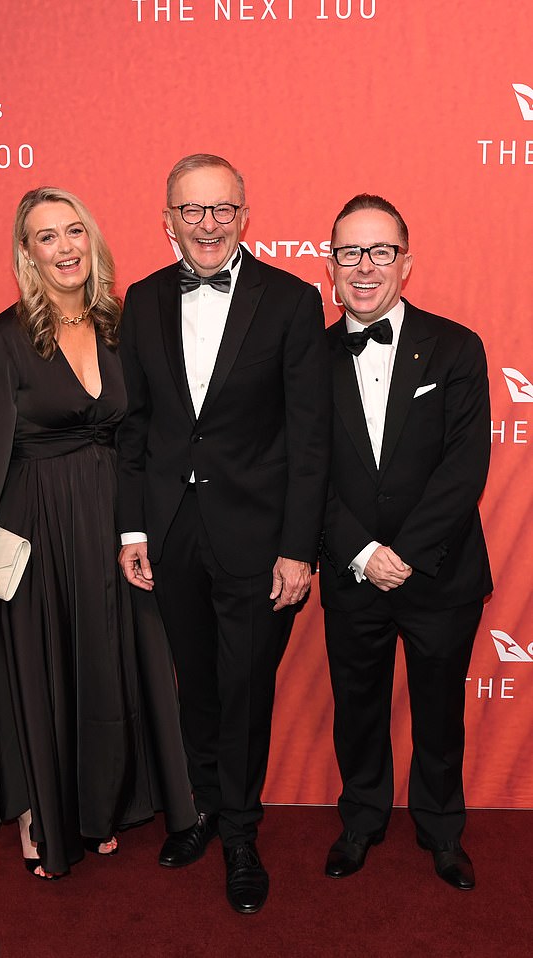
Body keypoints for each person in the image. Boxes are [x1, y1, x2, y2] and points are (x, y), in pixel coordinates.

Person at [0, 187, 196, 879]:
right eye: (46, 237)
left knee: (108, 664)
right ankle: (38, 814)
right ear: (28, 253)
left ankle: (99, 806)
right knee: (41, 669)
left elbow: (150, 429)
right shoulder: (5, 337)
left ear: (93, 239)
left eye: (74, 231)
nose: (65, 247)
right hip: (36, 520)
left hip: (114, 519)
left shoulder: (122, 323)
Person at [117, 154, 331, 914]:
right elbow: (136, 426)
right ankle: (205, 808)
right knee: (196, 684)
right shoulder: (139, 301)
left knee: (244, 689)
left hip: (258, 539)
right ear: (167, 218)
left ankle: (242, 831)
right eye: (191, 209)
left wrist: (299, 547)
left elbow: (311, 440)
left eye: (221, 209)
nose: (206, 223)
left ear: (245, 215)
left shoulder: (293, 300)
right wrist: (134, 528)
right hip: (172, 534)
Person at [318, 193, 492, 891]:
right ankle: (360, 820)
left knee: (440, 710)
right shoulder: (306, 357)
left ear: (406, 262)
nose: (365, 267)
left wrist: (407, 555)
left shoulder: (457, 346)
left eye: (380, 251)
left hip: (440, 572)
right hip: (350, 569)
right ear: (330, 266)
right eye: (350, 252)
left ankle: (442, 830)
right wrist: (362, 552)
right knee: (357, 707)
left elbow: (464, 466)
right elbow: (303, 470)